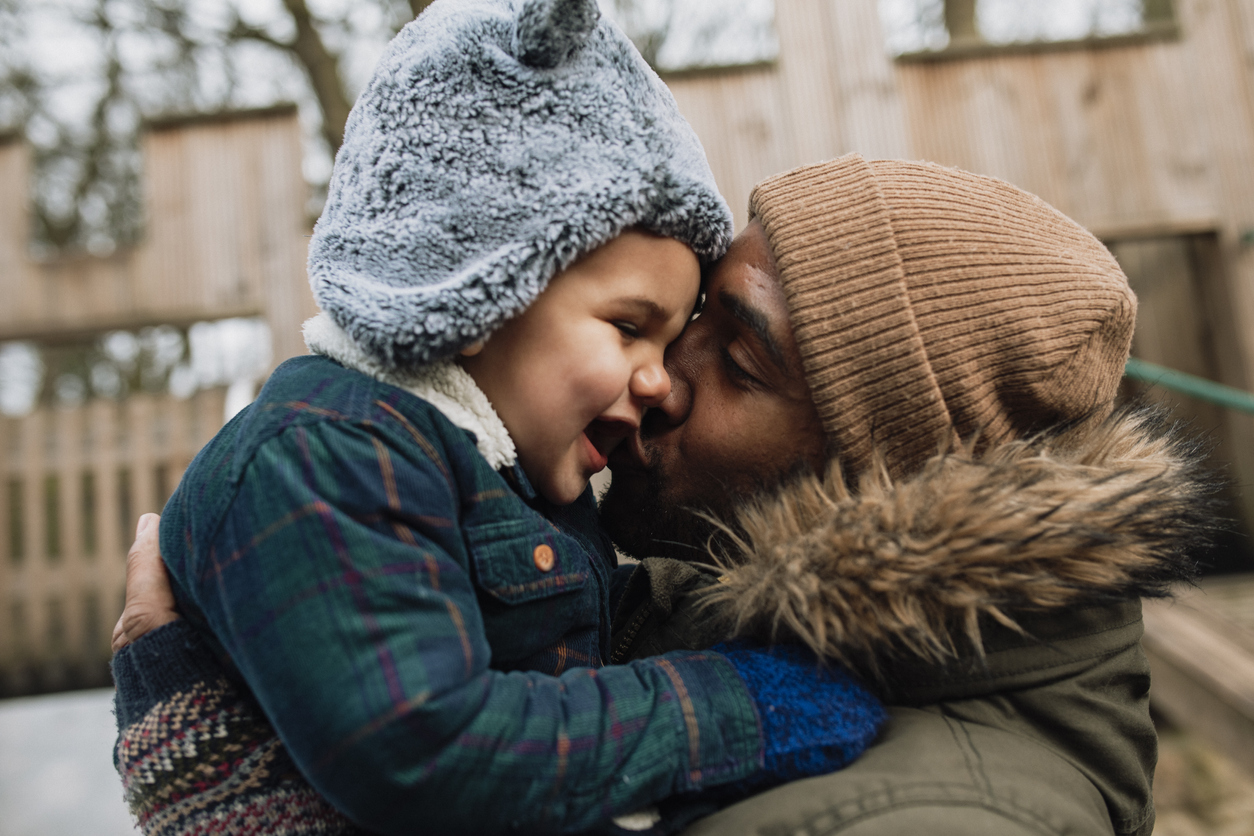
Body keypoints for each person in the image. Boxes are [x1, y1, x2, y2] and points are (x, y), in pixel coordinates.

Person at [114, 152, 1217, 836]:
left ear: (892, 485)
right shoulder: (704, 600)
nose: (651, 381)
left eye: (737, 364)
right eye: (683, 318)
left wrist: (228, 808)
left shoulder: (919, 816)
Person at [106, 1, 885, 835]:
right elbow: (431, 748)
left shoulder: (489, 467)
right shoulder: (323, 457)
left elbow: (577, 639)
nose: (659, 382)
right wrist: (741, 706)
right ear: (476, 288)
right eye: (629, 326)